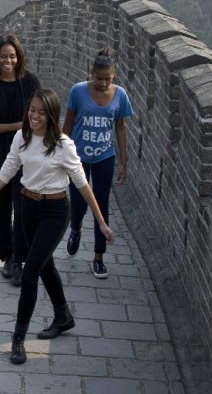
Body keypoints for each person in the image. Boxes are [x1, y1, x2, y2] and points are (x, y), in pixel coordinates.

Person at [0, 88, 114, 365]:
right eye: (32, 110)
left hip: (54, 211)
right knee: (46, 266)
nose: (35, 116)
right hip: (27, 208)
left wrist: (100, 222)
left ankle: (18, 339)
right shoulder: (22, 137)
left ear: (52, 115)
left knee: (29, 274)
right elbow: (5, 174)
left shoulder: (63, 144)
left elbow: (82, 183)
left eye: (41, 112)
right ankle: (63, 315)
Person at [0, 34, 41, 286]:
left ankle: (20, 257)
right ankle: (8, 256)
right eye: (4, 56)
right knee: (2, 206)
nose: (8, 60)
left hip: (27, 151)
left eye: (12, 56)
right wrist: (19, 125)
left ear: (19, 56)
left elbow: (43, 113)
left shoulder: (30, 82)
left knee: (23, 205)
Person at [63, 47, 134, 279]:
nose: (103, 83)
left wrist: (123, 162)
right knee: (78, 203)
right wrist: (60, 153)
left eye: (108, 79)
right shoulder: (78, 91)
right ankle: (75, 228)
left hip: (105, 156)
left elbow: (121, 128)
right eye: (99, 78)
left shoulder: (120, 95)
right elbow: (68, 123)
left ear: (114, 76)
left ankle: (98, 257)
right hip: (78, 157)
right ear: (91, 73)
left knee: (101, 205)